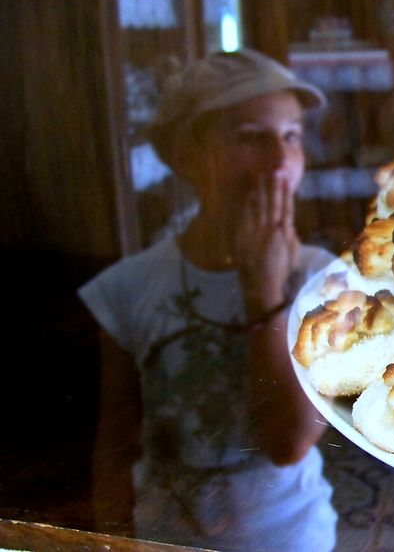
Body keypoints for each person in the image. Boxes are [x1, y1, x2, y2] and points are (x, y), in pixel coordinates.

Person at [80, 49, 337, 551]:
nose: (281, 161)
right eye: (251, 138)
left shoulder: (322, 278)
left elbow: (288, 442)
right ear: (188, 154)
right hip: (166, 538)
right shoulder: (127, 287)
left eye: (291, 136)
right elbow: (116, 440)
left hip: (288, 538)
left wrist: (263, 289)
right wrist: (108, 538)